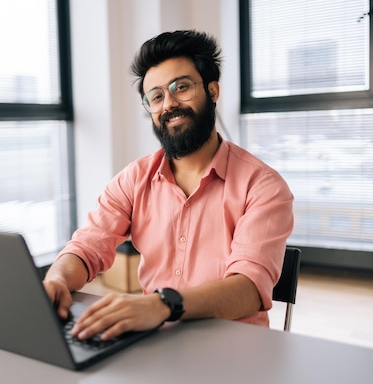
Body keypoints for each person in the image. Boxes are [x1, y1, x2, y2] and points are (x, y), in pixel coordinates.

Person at [43, 29, 294, 342]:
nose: (169, 104)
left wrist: (162, 304)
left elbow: (249, 288)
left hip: (235, 349)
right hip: (155, 342)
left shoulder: (263, 186)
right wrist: (57, 278)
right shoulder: (133, 179)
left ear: (213, 91)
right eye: (157, 97)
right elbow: (87, 247)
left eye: (182, 87)